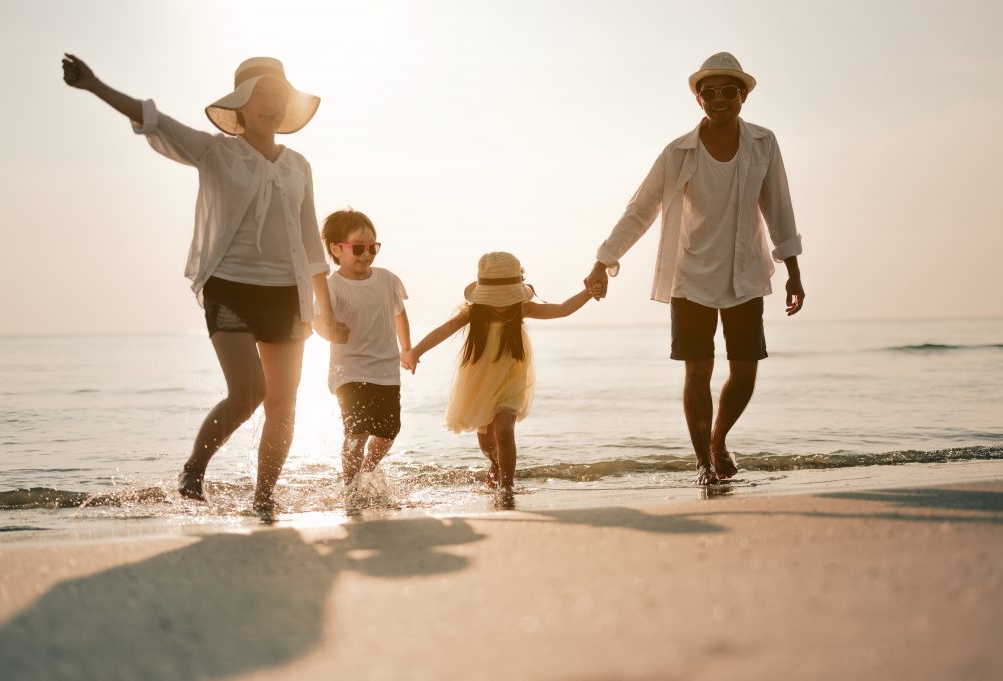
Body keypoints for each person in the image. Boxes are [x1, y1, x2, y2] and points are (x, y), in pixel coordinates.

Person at [61, 55, 336, 513]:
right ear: (241, 106)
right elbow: (156, 122)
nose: (270, 104)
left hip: (288, 295)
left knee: (283, 403)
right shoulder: (215, 152)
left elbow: (311, 243)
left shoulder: (299, 165)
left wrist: (325, 309)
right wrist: (94, 85)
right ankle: (195, 467)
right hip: (230, 287)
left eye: (278, 96)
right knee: (249, 392)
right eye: (259, 96)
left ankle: (264, 499)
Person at [583, 52, 805, 486]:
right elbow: (640, 209)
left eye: (728, 91)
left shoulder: (764, 143)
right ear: (698, 100)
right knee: (697, 371)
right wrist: (604, 259)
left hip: (744, 276)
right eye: (709, 92)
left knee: (744, 372)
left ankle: (719, 440)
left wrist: (793, 270)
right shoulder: (677, 152)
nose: (719, 98)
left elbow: (779, 205)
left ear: (743, 96)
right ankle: (704, 461)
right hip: (690, 277)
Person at [402, 252, 599, 494]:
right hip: (480, 381)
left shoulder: (522, 308)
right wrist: (416, 352)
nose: (501, 302)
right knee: (487, 444)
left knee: (505, 431)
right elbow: (445, 329)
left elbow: (561, 309)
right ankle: (495, 462)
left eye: (506, 295)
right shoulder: (473, 311)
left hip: (511, 378)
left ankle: (508, 486)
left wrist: (588, 293)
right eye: (496, 296)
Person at [315, 209, 411, 489]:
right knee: (357, 431)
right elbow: (317, 320)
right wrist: (328, 330)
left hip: (385, 369)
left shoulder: (386, 279)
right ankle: (350, 486)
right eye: (358, 248)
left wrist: (407, 349)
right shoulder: (332, 286)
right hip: (350, 371)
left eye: (372, 247)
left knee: (389, 430)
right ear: (336, 249)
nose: (366, 253)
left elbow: (399, 313)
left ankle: (366, 471)